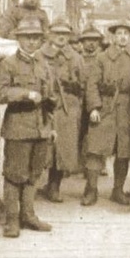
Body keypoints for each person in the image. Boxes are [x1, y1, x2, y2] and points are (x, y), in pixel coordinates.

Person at [0, 18, 57, 237]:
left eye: (35, 37)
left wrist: (52, 126)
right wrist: (24, 94)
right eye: (27, 37)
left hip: (41, 128)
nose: (31, 42)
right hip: (18, 127)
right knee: (14, 175)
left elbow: (50, 98)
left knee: (34, 174)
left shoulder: (43, 64)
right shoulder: (8, 64)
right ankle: (12, 221)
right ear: (19, 39)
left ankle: (29, 216)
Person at [83, 19, 130, 205]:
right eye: (119, 33)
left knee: (124, 151)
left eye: (126, 34)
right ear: (113, 37)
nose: (123, 37)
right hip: (105, 106)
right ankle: (91, 190)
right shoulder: (102, 57)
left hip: (127, 109)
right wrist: (94, 107)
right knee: (95, 150)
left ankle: (118, 190)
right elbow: (91, 84)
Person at [38, 19, 86, 203]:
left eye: (64, 34)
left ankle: (54, 186)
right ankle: (33, 185)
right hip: (45, 106)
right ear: (50, 34)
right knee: (43, 147)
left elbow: (82, 84)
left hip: (67, 108)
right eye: (57, 33)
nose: (60, 37)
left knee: (63, 148)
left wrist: (72, 87)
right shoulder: (40, 55)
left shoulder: (75, 57)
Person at [77, 25, 105, 204]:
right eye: (87, 40)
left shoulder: (101, 59)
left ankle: (93, 172)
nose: (91, 44)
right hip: (78, 102)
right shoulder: (78, 59)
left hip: (95, 103)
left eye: (94, 40)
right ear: (82, 42)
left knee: (94, 139)